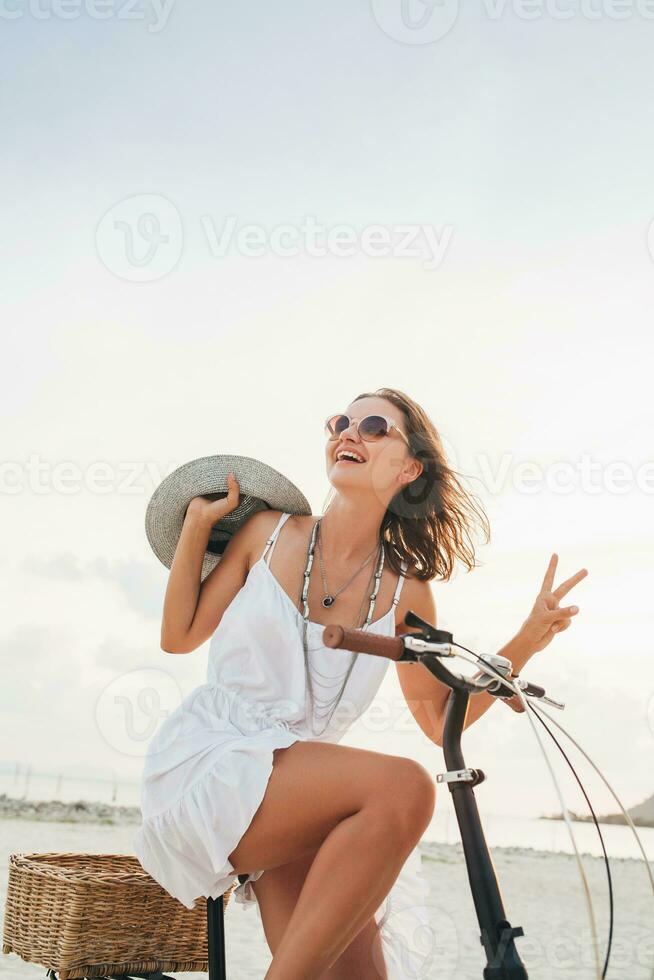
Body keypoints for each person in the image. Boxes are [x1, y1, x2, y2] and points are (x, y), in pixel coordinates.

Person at [134, 386, 587, 980]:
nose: (348, 432)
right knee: (405, 788)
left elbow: (437, 721)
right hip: (213, 763)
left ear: (409, 467)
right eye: (340, 422)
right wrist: (197, 523)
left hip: (300, 791)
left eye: (374, 426)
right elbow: (179, 635)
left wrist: (526, 639)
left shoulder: (408, 592)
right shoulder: (267, 533)